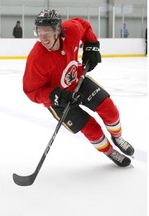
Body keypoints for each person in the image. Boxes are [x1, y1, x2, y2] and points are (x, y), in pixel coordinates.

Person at [23, 9, 134, 167]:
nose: (43, 38)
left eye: (47, 32)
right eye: (39, 32)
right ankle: (109, 151)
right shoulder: (36, 59)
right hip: (58, 100)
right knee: (91, 128)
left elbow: (84, 25)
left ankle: (117, 137)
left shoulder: (71, 30)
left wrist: (91, 45)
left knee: (110, 109)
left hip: (78, 81)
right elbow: (31, 91)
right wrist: (57, 96)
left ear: (58, 30)